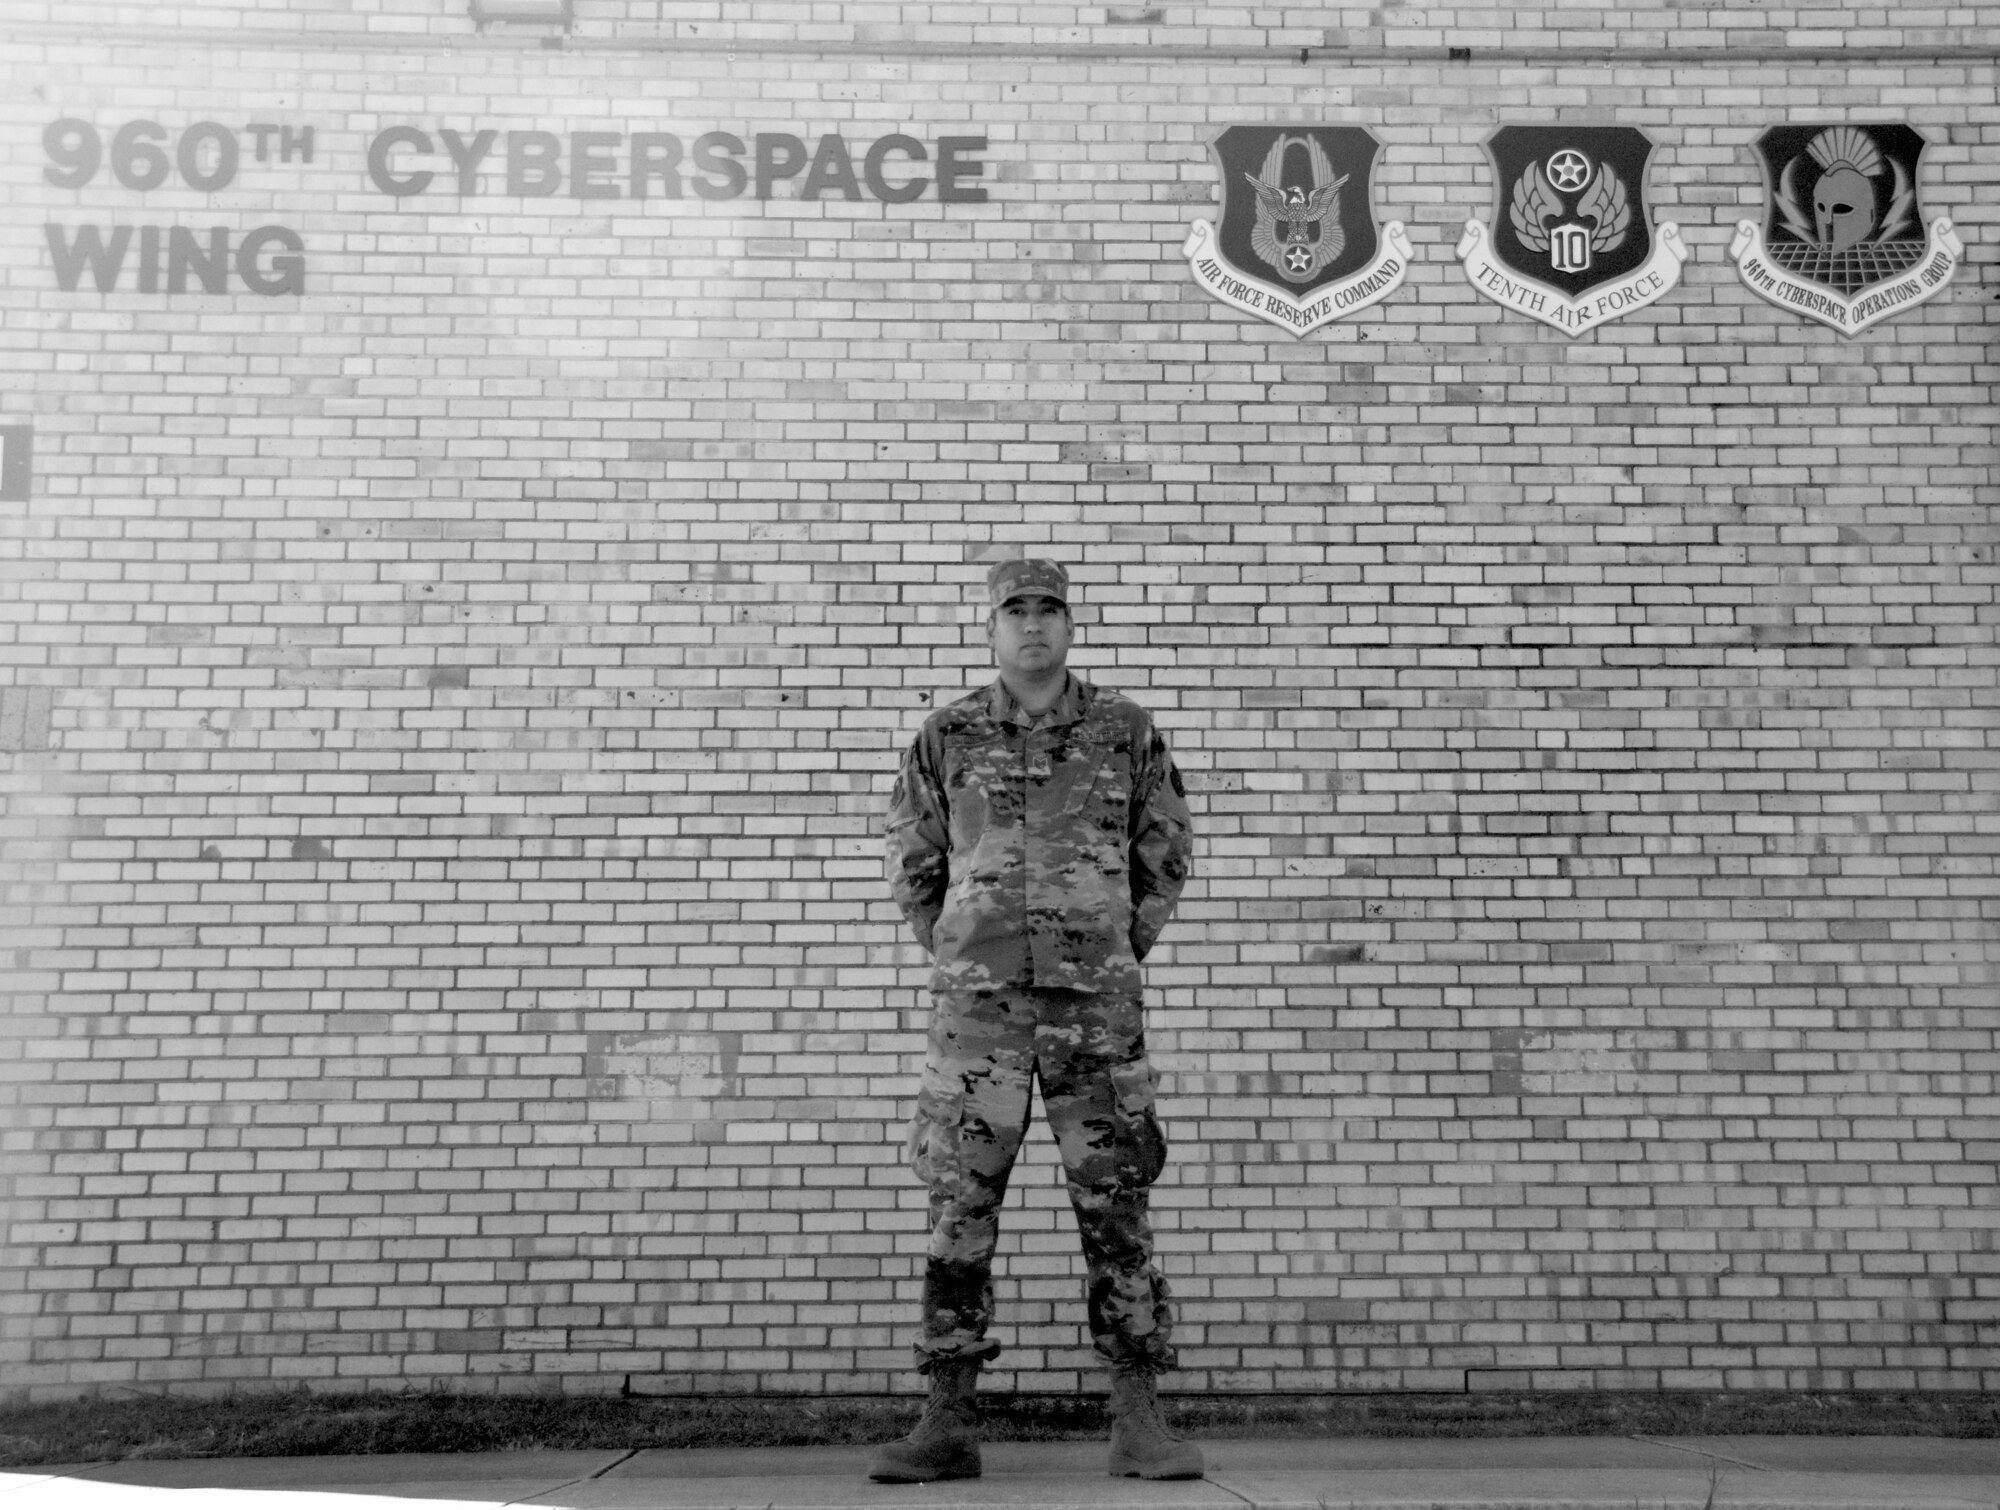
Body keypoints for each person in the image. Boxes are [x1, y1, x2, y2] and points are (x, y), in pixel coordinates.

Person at [872, 558, 1202, 1484]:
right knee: (959, 1207)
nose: (1032, 626)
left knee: (1117, 1207)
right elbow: (914, 855)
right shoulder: (948, 734)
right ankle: (946, 1421)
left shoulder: (1122, 730)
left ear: (1071, 625)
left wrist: (1115, 942)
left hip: (1094, 1010)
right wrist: (956, 943)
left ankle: (1139, 1419)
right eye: (1014, 610)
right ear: (990, 628)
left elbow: (1166, 846)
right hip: (978, 1016)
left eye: (1048, 609)